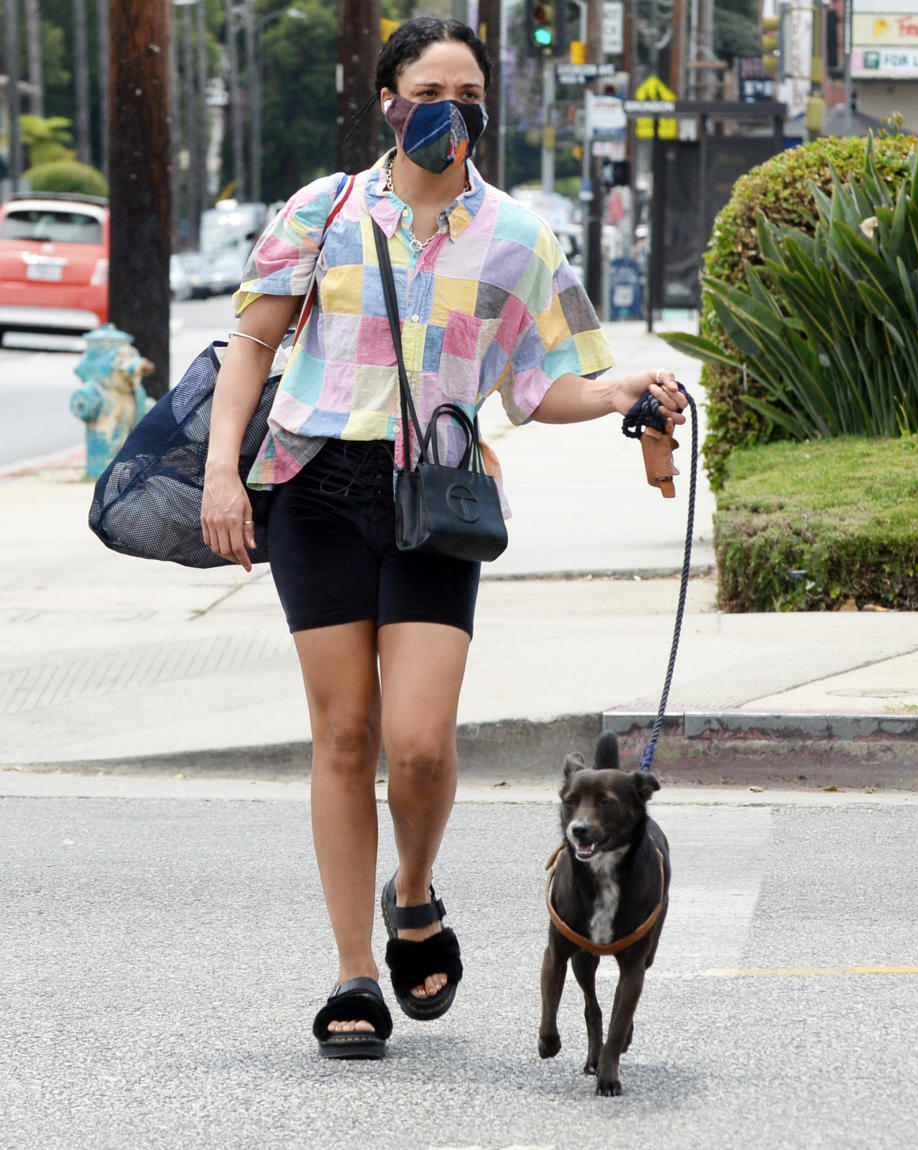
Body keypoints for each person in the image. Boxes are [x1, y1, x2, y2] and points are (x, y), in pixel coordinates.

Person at [200, 16, 687, 1061]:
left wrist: (617, 393)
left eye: (468, 94)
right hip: (315, 486)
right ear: (389, 98)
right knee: (342, 734)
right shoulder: (321, 211)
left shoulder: (517, 234)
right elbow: (249, 346)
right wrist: (220, 475)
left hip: (439, 497)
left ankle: (412, 891)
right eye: (431, 88)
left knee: (417, 743)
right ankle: (354, 971)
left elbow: (538, 380)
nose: (452, 109)